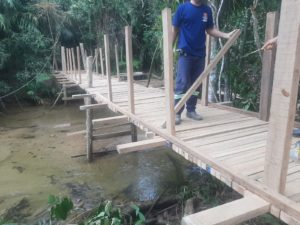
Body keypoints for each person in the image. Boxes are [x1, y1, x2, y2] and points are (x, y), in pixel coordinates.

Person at [172, 0, 235, 125]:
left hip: (200, 54)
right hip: (185, 53)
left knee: (196, 84)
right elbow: (174, 30)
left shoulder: (206, 10)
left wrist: (226, 35)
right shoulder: (182, 9)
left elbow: (210, 29)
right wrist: (169, 47)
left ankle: (191, 110)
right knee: (183, 83)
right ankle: (177, 112)